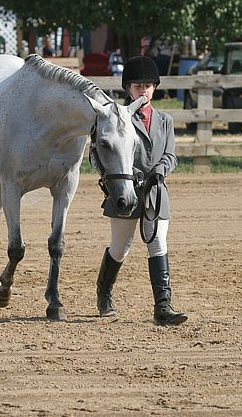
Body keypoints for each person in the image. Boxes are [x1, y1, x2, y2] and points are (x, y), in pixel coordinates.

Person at [94, 56, 188, 326]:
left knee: (158, 243)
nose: (142, 91)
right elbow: (100, 155)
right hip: (126, 192)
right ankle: (104, 293)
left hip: (156, 192)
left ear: (155, 88)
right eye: (137, 86)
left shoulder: (165, 121)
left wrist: (161, 170)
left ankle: (163, 306)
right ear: (128, 89)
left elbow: (171, 154)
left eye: (147, 86)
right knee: (120, 248)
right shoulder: (117, 118)